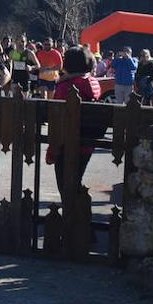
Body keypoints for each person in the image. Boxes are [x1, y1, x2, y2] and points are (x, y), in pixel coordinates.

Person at [49, 46, 103, 195]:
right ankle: (79, 213)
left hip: (67, 143)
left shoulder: (66, 86)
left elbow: (57, 118)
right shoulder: (93, 83)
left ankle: (72, 216)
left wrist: (52, 151)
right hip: (87, 143)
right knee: (75, 182)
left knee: (65, 186)